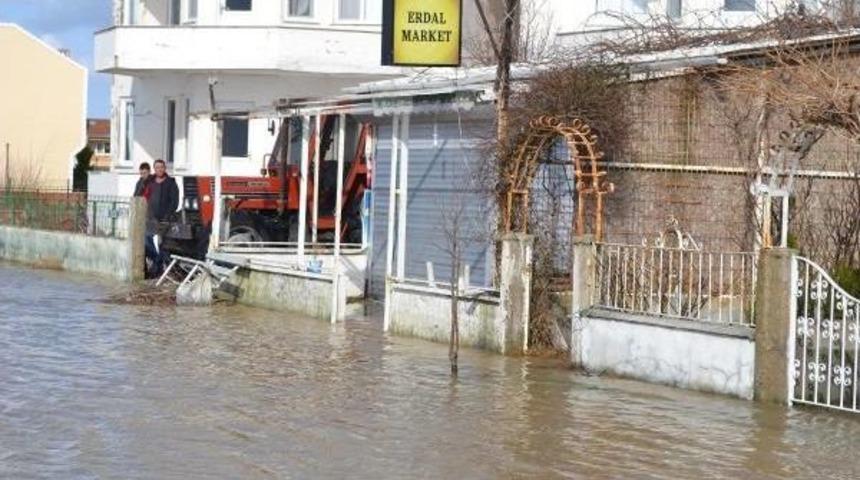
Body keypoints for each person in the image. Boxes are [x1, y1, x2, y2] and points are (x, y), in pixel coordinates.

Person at [144, 159, 179, 278]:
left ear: (165, 168)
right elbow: (143, 195)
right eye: (157, 167)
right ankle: (156, 262)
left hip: (165, 218)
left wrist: (168, 215)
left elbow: (175, 202)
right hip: (151, 217)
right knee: (146, 239)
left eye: (161, 167)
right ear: (154, 169)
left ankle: (160, 269)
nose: (159, 169)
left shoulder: (171, 182)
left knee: (163, 244)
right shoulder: (150, 181)